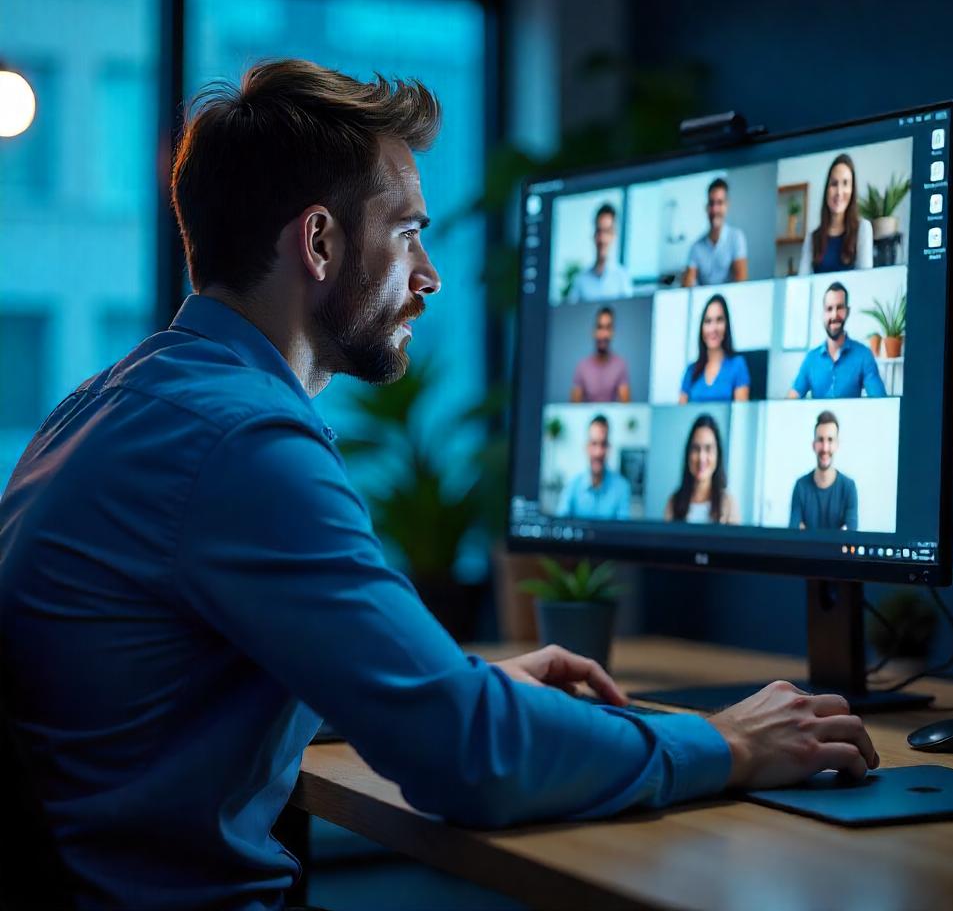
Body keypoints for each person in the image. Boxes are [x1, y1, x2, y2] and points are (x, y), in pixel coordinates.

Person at [0, 59, 878, 909]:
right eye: (410, 234)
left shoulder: (111, 403)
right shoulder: (244, 442)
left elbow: (191, 679)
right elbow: (465, 760)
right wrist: (723, 742)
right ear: (318, 241)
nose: (430, 276)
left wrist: (454, 683)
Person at [788, 281, 886, 399]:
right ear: (823, 314)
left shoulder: (864, 355)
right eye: (829, 309)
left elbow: (879, 401)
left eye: (839, 308)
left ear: (847, 311)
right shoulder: (811, 359)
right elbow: (791, 400)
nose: (834, 315)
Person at [797, 153, 874, 275]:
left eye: (845, 183)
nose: (839, 192)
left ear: (852, 190)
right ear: (827, 189)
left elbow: (865, 282)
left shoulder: (863, 229)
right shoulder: (812, 238)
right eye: (834, 184)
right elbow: (802, 284)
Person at [789, 410, 859, 530]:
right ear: (813, 445)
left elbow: (851, 539)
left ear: (837, 444)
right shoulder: (801, 486)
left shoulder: (848, 487)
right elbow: (794, 536)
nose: (825, 448)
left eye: (830, 440)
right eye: (820, 440)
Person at [664, 414, 740, 524]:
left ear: (717, 455)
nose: (701, 458)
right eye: (696, 448)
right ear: (688, 454)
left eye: (708, 449)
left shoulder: (729, 504)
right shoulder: (673, 502)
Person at [557, 414, 632, 519]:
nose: (598, 453)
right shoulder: (572, 486)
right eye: (594, 443)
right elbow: (560, 524)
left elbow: (623, 532)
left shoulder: (622, 488)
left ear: (609, 448)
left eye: (603, 444)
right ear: (586, 447)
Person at [679, 293, 751, 404]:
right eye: (708, 321)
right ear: (702, 328)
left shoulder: (737, 365)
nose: (713, 328)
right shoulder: (691, 371)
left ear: (726, 325)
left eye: (719, 320)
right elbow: (681, 413)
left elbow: (740, 414)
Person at [681, 178, 749, 287]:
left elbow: (741, 282)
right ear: (706, 207)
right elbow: (687, 286)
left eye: (719, 203)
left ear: (727, 205)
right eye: (711, 203)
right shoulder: (696, 247)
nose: (714, 209)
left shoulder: (736, 238)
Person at [567, 203, 633, 302]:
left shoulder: (622, 279)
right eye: (599, 231)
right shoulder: (580, 281)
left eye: (607, 231)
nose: (602, 239)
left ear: (614, 236)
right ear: (593, 235)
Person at [570, 306, 631, 403]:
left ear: (612, 332)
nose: (603, 333)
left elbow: (625, 407)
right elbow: (573, 408)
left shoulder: (620, 365)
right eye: (600, 327)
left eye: (608, 328)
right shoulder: (582, 366)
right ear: (593, 332)